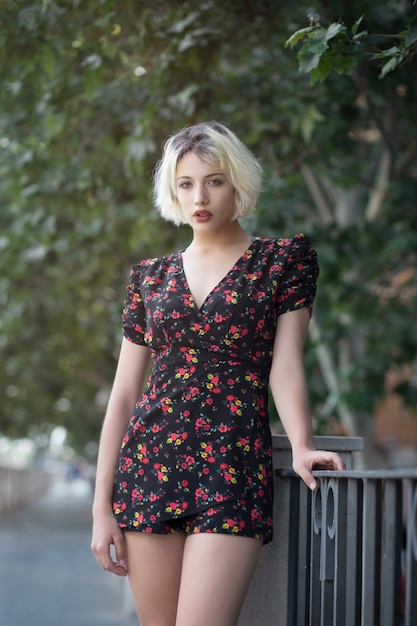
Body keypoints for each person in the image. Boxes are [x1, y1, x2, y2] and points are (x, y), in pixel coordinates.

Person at [91, 121, 345, 626]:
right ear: (173, 191)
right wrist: (102, 508)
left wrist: (301, 445)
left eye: (214, 180)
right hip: (150, 466)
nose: (199, 196)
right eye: (186, 184)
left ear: (238, 184)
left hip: (232, 468)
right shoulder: (150, 277)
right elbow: (123, 396)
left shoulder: (283, 261)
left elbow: (286, 364)